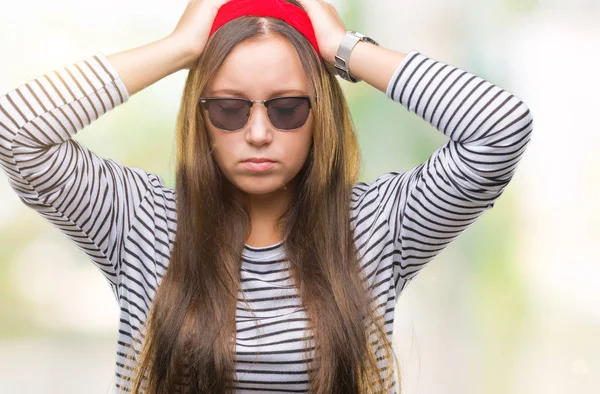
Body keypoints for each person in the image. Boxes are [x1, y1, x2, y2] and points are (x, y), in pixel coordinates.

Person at [0, 0, 534, 392]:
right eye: (230, 109)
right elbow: (17, 130)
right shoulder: (141, 222)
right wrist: (180, 48)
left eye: (286, 108)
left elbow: (500, 129)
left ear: (318, 115)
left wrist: (343, 48)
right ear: (201, 118)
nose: (258, 133)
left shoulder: (374, 224)